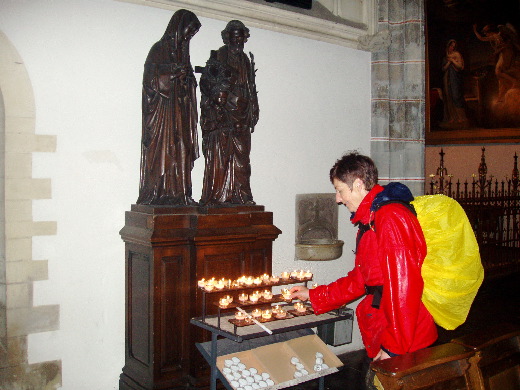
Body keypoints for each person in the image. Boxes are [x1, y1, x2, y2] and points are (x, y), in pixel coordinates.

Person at [290, 152, 437, 370]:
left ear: (358, 184)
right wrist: (313, 295)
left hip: (406, 340)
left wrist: (393, 348)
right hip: (387, 330)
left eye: (340, 190)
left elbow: (404, 288)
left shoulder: (390, 218)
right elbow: (361, 280)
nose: (338, 199)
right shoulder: (371, 219)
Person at [137, 10, 201, 205]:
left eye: (191, 35)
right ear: (177, 29)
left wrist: (187, 78)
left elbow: (190, 85)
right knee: (164, 151)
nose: (188, 37)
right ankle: (158, 192)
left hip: (180, 112)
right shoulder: (158, 50)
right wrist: (172, 73)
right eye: (187, 32)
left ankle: (180, 194)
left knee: (181, 148)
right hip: (163, 114)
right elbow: (150, 81)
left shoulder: (184, 55)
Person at [198, 20, 259, 206]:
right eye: (234, 37)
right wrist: (221, 101)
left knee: (241, 156)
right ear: (227, 38)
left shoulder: (245, 60)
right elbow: (208, 82)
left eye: (241, 38)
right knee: (221, 156)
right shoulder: (219, 56)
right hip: (223, 114)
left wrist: (253, 108)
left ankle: (241, 195)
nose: (238, 42)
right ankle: (217, 196)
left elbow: (250, 87)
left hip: (242, 112)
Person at [440, 39, 469, 128]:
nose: (452, 48)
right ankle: (452, 117)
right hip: (447, 79)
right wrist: (449, 62)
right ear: (448, 46)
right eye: (450, 46)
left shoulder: (457, 55)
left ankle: (461, 117)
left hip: (455, 78)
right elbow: (443, 69)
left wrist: (453, 61)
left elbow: (460, 66)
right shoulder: (446, 57)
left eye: (453, 46)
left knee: (456, 96)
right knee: (449, 97)